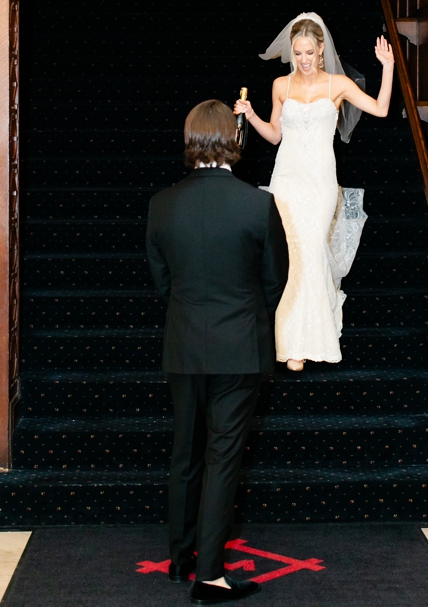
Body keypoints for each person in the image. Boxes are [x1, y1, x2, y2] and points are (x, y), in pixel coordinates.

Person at [146, 100, 290, 604]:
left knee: (185, 450)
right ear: (233, 138)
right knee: (222, 458)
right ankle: (209, 575)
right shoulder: (257, 204)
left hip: (184, 343)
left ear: (191, 140)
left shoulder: (162, 203)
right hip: (240, 348)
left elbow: (160, 282)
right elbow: (276, 281)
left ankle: (179, 558)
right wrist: (245, 315)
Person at [234, 14, 394, 372]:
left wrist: (388, 67)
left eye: (309, 52)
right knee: (287, 252)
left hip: (320, 182)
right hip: (286, 180)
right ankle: (288, 342)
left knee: (310, 247)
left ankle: (310, 340)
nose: (303, 59)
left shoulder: (337, 84)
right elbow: (275, 135)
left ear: (321, 50)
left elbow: (381, 109)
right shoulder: (280, 86)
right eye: (297, 52)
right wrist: (252, 114)